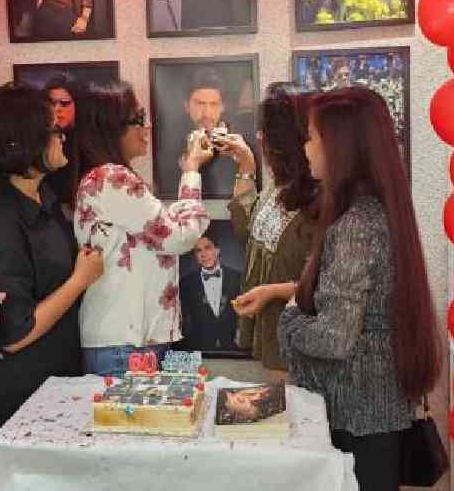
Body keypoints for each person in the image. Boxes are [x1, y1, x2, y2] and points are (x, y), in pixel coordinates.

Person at [234, 87, 441, 491]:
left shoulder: (355, 225)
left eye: (310, 137)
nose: (305, 148)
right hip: (372, 408)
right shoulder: (370, 211)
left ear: (340, 145)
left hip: (357, 415)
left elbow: (333, 337)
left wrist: (291, 316)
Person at [0, 84, 104, 427]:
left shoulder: (42, 195)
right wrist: (79, 281)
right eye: (54, 130)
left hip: (60, 377)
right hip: (25, 395)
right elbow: (14, 334)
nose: (62, 137)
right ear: (25, 139)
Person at [74, 81, 213, 378]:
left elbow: (162, 228)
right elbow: (179, 236)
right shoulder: (110, 178)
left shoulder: (108, 180)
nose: (146, 127)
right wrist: (191, 171)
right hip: (126, 344)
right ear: (110, 127)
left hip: (135, 340)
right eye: (137, 119)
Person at [219, 83, 318, 383]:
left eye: (265, 131)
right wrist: (246, 164)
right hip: (273, 337)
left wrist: (273, 291)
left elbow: (328, 284)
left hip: (301, 344)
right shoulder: (279, 186)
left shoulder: (321, 200)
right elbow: (244, 225)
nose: (259, 136)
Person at [156, 67, 256, 198]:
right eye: (199, 103)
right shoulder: (167, 149)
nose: (207, 113)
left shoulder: (239, 148)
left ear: (223, 106)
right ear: (186, 105)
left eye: (214, 104)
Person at [177, 234, 241, 352]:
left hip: (233, 348)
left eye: (208, 248)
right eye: (198, 251)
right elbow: (185, 320)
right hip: (199, 349)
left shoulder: (237, 278)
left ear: (217, 250)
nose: (203, 254)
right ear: (196, 256)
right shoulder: (186, 283)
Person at [41, 73, 81, 216]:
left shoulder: (86, 141)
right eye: (52, 103)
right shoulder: (39, 139)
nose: (57, 109)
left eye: (64, 103)